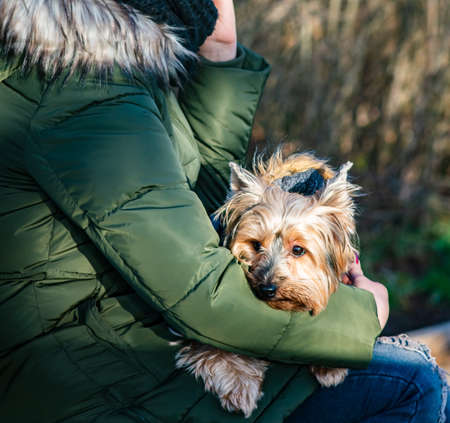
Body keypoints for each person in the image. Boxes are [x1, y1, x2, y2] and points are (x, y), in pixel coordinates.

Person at [0, 0, 446, 422]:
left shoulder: (111, 61)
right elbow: (198, 291)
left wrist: (219, 54)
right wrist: (360, 315)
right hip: (87, 375)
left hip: (113, 338)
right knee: (413, 380)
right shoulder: (82, 81)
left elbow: (196, 208)